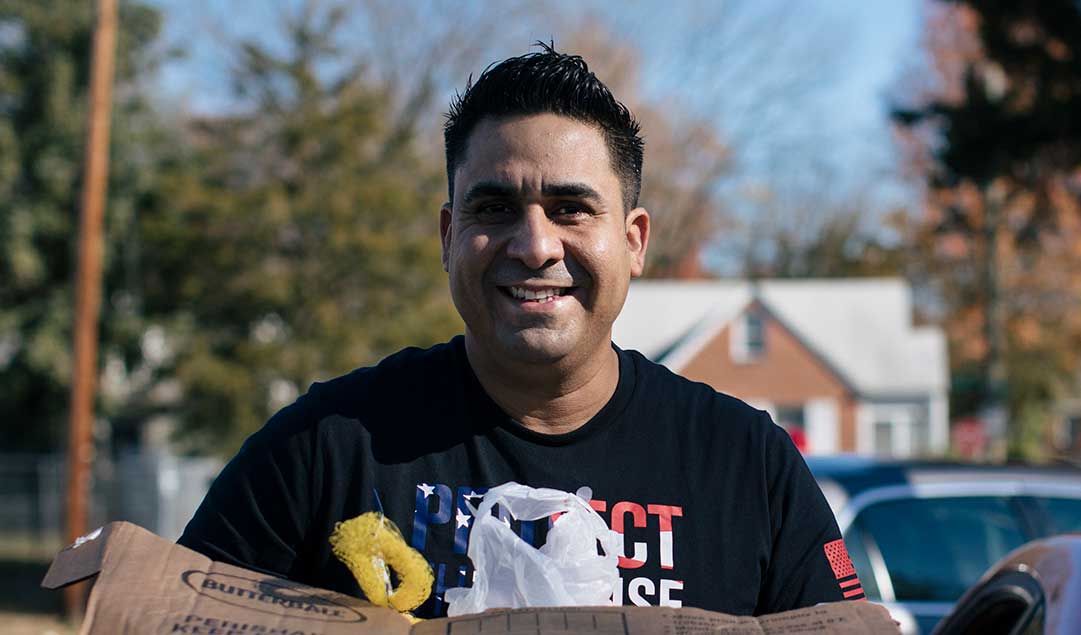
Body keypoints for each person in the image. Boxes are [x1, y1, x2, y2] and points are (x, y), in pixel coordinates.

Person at [178, 44, 863, 618]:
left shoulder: (747, 467)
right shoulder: (323, 449)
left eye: (570, 208)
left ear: (633, 241)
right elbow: (174, 613)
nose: (534, 244)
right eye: (495, 207)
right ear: (449, 238)